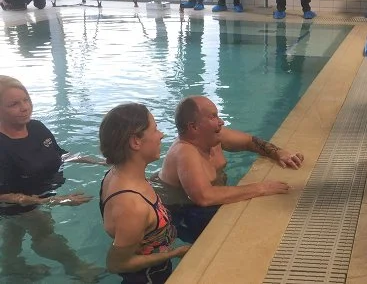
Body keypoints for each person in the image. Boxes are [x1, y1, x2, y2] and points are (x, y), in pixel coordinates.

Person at [154, 96, 305, 243]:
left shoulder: (214, 136)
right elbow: (204, 197)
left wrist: (278, 152)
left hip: (202, 199)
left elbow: (249, 142)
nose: (221, 122)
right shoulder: (185, 152)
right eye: (213, 117)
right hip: (181, 210)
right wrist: (261, 188)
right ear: (193, 126)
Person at [0, 75, 104, 282]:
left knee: (14, 232)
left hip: (41, 193)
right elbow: (2, 195)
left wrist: (99, 161)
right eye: (14, 104)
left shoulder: (36, 127)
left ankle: (11, 266)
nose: (24, 107)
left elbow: (60, 154)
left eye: (26, 100)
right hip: (20, 203)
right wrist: (53, 201)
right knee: (44, 233)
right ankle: (77, 267)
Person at [98, 103, 190, 284]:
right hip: (149, 277)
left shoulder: (116, 173)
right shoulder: (132, 205)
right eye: (155, 130)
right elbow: (116, 264)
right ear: (135, 141)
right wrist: (175, 253)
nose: (161, 135)